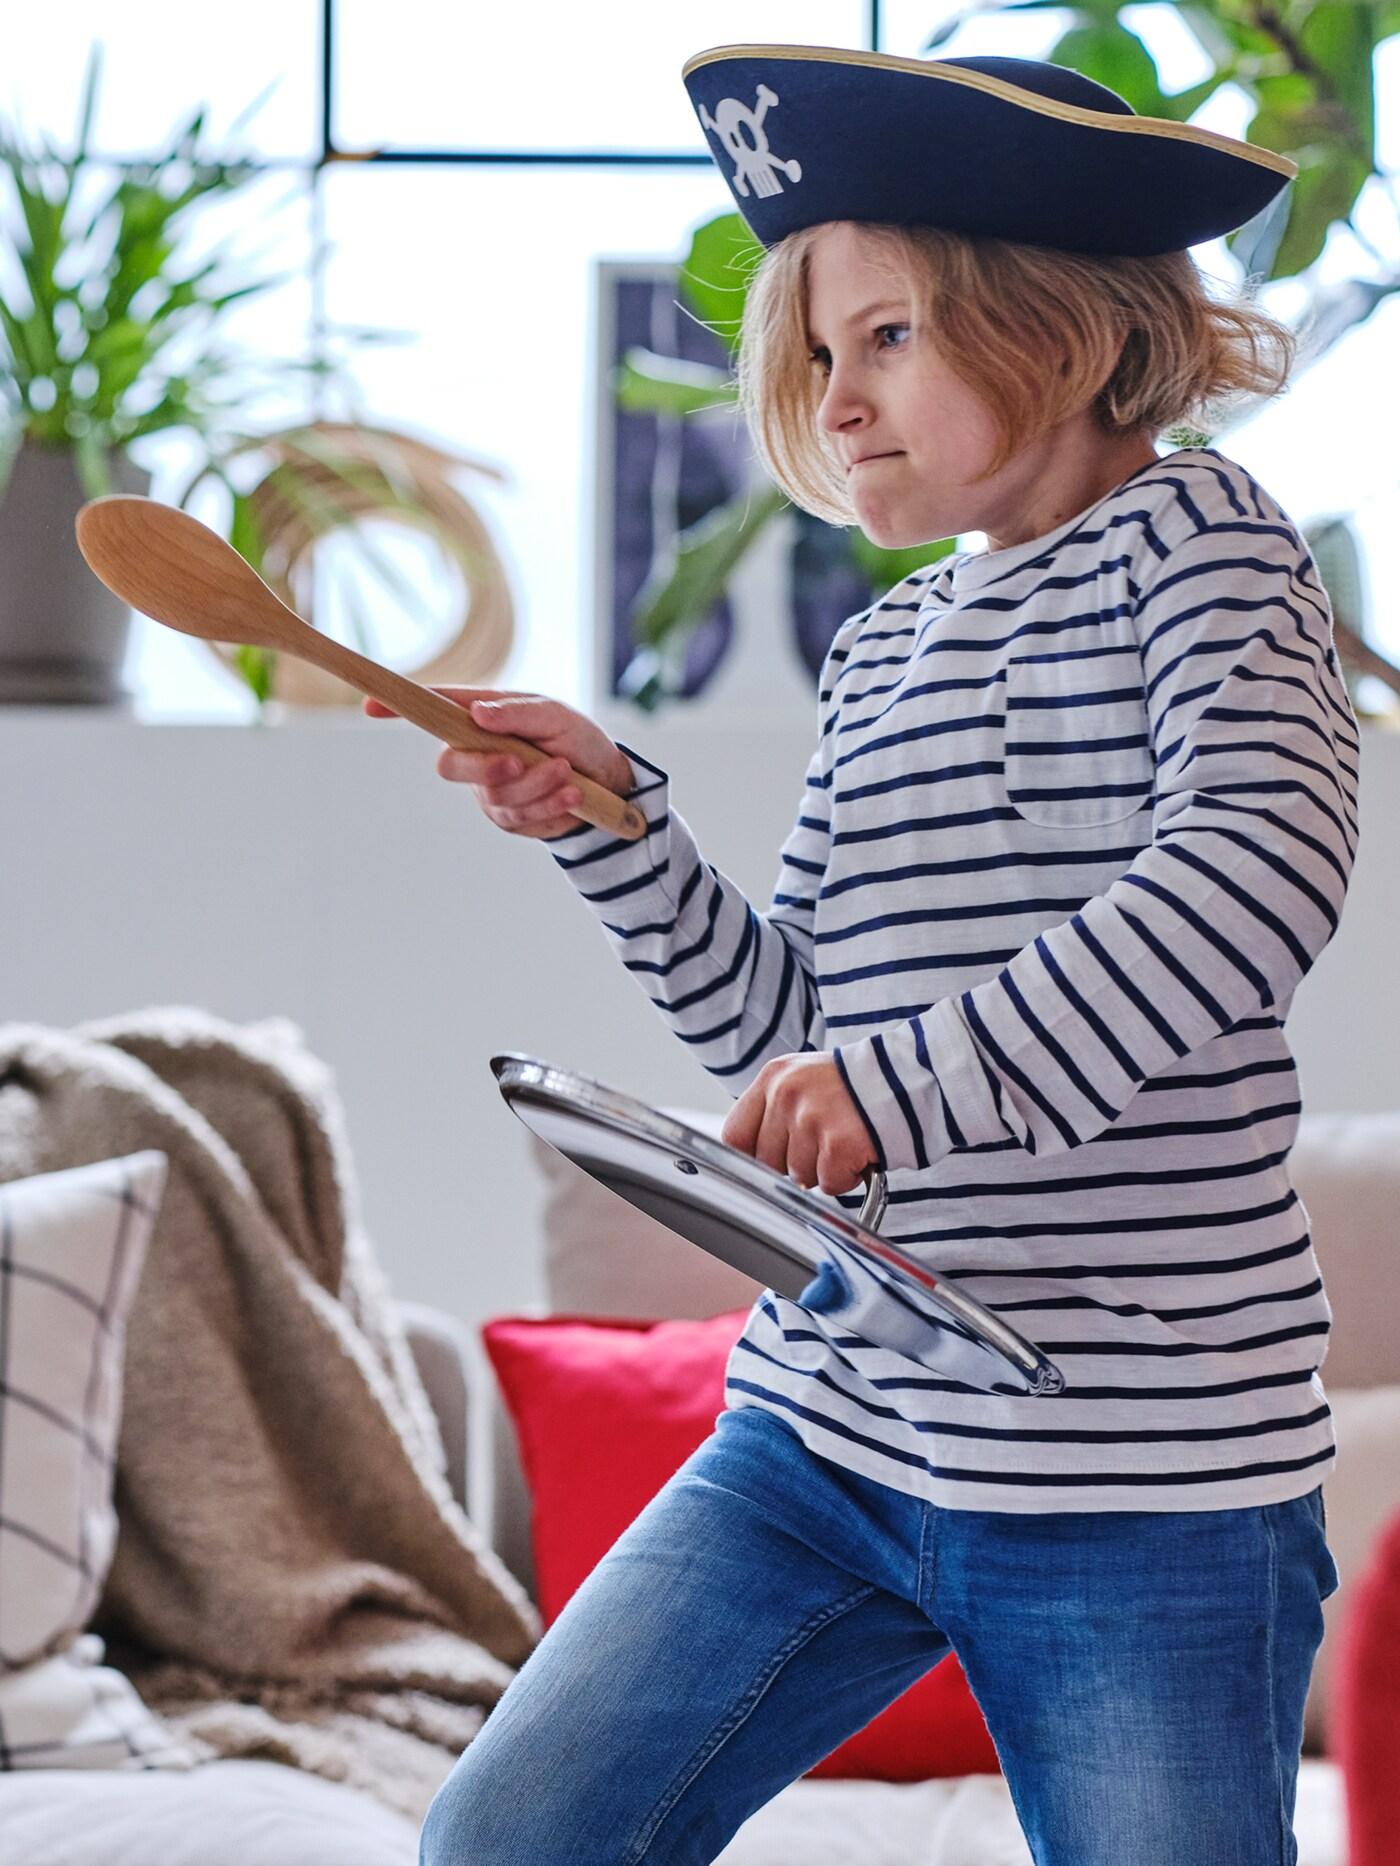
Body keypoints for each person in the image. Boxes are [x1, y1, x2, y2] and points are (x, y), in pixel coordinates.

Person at [382, 44, 1360, 1866]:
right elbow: (790, 1037)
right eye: (819, 357)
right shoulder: (883, 657)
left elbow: (1252, 876)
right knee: (505, 1838)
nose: (838, 400)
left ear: (1060, 317)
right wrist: (620, 830)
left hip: (1138, 1478)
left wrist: (889, 1090)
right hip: (831, 1427)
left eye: (890, 336)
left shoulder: (1207, 548)